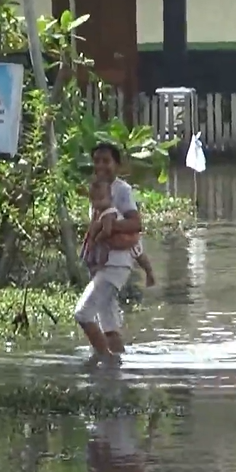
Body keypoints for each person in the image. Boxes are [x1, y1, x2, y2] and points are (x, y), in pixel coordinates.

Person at [74, 143, 143, 359]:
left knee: (82, 313)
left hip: (116, 264)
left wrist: (110, 226)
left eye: (106, 161)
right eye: (97, 161)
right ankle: (116, 366)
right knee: (109, 324)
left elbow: (136, 223)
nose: (101, 165)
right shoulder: (98, 188)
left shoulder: (122, 189)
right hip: (102, 264)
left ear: (117, 165)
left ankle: (105, 360)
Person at [85, 177, 157, 287]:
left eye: (101, 199)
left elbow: (107, 231)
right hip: (117, 237)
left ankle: (149, 272)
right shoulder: (99, 212)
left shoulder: (108, 214)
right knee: (138, 255)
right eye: (94, 199)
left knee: (140, 255)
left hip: (127, 238)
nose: (97, 202)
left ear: (109, 198)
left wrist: (96, 239)